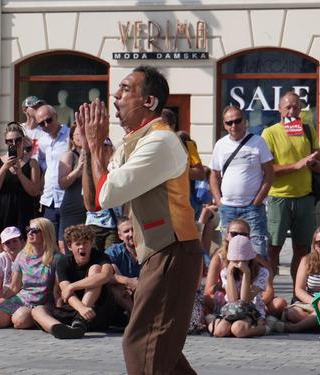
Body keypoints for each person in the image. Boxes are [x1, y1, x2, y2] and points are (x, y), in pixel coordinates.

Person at [77, 65, 202, 374]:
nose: (116, 97)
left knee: (142, 342)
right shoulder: (134, 141)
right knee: (162, 352)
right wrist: (87, 150)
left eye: (125, 89)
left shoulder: (161, 142)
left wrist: (95, 146)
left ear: (149, 102)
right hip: (161, 253)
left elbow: (108, 194)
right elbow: (93, 200)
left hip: (173, 251)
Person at [262, 91, 320, 281]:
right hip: (279, 197)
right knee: (273, 248)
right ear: (279, 109)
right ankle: (269, 292)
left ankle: (298, 292)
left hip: (305, 197)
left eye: (296, 107)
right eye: (288, 107)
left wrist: (311, 163)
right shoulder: (270, 133)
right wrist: (296, 165)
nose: (292, 111)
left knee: (302, 248)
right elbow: (267, 169)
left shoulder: (307, 129)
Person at [210, 105, 274, 259]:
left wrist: (258, 200)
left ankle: (262, 283)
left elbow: (270, 173)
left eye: (237, 121)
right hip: (228, 208)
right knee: (229, 254)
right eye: (229, 123)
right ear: (224, 125)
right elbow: (214, 174)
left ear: (245, 122)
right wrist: (219, 201)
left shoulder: (258, 142)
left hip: (252, 208)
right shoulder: (220, 145)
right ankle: (231, 283)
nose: (233, 126)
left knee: (258, 253)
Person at [0, 219, 57, 329]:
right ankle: (9, 316)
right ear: (3, 246)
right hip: (21, 299)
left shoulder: (56, 258)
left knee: (20, 320)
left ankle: (22, 318)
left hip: (42, 303)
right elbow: (14, 287)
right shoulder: (21, 256)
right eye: (29, 230)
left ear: (46, 232)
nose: (30, 233)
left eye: (34, 230)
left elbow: (58, 290)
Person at [208, 235, 283, 338]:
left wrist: (246, 274)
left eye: (243, 260)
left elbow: (245, 300)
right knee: (219, 332)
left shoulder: (262, 272)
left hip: (252, 310)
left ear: (250, 259)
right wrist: (230, 274)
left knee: (238, 329)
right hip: (232, 310)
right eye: (235, 260)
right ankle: (228, 325)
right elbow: (232, 300)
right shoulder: (226, 271)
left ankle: (267, 327)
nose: (239, 264)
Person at [0, 124, 42, 255]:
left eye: (17, 140)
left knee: (25, 251)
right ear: (5, 142)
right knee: (1, 253)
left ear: (23, 140)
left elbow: (34, 191)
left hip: (23, 212)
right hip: (1, 211)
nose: (14, 143)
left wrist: (20, 174)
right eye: (9, 141)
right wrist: (5, 168)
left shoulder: (32, 163)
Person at [36, 104, 70, 239]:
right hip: (49, 199)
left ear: (56, 117)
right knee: (49, 242)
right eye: (41, 124)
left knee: (66, 242)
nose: (46, 125)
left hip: (66, 196)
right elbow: (42, 166)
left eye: (48, 120)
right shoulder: (42, 141)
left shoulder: (70, 135)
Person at [58, 123, 87, 251]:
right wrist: (78, 168)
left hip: (89, 209)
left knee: (87, 246)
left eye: (83, 133)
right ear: (71, 138)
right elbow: (62, 183)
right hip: (72, 208)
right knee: (71, 246)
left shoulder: (93, 154)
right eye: (77, 134)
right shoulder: (69, 155)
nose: (81, 136)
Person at [105, 216, 140, 312]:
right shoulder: (114, 251)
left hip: (143, 290)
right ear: (120, 236)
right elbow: (102, 276)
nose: (131, 234)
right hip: (122, 294)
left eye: (133, 230)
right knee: (111, 268)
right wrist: (127, 281)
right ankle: (135, 317)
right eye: (126, 231)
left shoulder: (148, 250)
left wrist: (138, 284)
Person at [0, 226, 24, 303]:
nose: (12, 245)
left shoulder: (28, 258)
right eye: (7, 243)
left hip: (24, 298)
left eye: (15, 241)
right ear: (3, 246)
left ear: (22, 242)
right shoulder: (0, 259)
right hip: (6, 299)